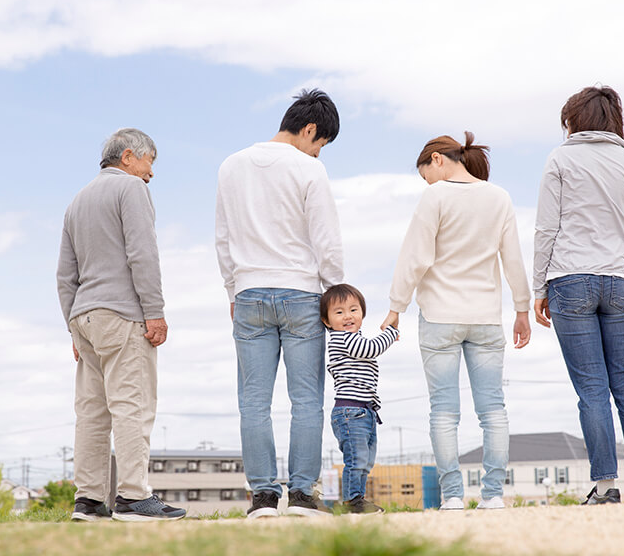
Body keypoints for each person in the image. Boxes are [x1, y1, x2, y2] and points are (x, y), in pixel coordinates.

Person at [382, 132, 531, 511]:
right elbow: (512, 258)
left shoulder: (436, 196)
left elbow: (414, 256)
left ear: (436, 160)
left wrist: (396, 307)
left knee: (444, 411)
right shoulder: (499, 197)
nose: (428, 183)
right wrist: (522, 309)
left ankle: (451, 497)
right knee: (493, 409)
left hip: (438, 317)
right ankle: (494, 495)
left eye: (425, 174)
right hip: (485, 318)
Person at [533, 85, 624, 504]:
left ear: (574, 119)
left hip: (570, 279)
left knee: (591, 388)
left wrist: (539, 287)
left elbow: (546, 229)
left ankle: (606, 488)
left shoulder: (560, 158)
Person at [215, 89, 344, 518]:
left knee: (253, 402)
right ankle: (303, 495)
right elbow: (326, 238)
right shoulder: (308, 170)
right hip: (301, 293)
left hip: (249, 293)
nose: (319, 153)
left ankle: (263, 498)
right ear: (310, 130)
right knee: (306, 399)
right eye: (321, 143)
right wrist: (336, 293)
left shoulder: (231, 165)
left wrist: (234, 290)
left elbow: (223, 237)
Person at [57, 128, 186, 522]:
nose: (151, 173)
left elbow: (65, 274)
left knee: (92, 411)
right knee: (133, 403)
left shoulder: (77, 201)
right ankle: (133, 496)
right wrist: (155, 310)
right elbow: (142, 253)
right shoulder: (131, 189)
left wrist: (72, 327)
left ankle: (90, 501)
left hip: (85, 317)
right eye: (150, 162)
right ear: (129, 157)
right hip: (122, 314)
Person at [321, 283, 399, 514]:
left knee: (364, 461)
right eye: (339, 312)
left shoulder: (353, 338)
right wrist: (392, 331)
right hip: (350, 412)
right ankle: (353, 502)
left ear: (362, 314)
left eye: (354, 310)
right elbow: (373, 348)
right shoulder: (342, 339)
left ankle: (358, 500)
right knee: (356, 460)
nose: (348, 316)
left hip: (364, 411)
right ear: (327, 321)